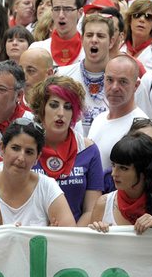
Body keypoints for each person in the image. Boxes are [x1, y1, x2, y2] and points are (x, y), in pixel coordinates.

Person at [0, 118, 76, 227]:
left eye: (29, 152)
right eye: (15, 148)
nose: (21, 158)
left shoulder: (47, 187)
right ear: (2, 148)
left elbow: (70, 236)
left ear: (37, 157)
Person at [30, 76, 102, 225]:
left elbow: (91, 210)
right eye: (54, 105)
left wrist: (70, 236)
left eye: (68, 107)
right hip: (34, 234)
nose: (61, 113)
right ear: (42, 108)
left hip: (76, 237)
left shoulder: (89, 150)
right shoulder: (26, 148)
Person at [89, 133, 152, 233]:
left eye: (123, 168)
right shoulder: (103, 203)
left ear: (144, 171)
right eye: (113, 165)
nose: (114, 173)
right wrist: (98, 233)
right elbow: (90, 247)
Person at [88, 55, 148, 169]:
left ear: (136, 86)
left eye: (123, 81)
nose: (115, 87)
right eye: (110, 80)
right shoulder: (99, 119)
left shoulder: (141, 127)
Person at [29, 0, 85, 66]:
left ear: (80, 12)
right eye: (57, 9)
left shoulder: (89, 50)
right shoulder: (37, 49)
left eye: (67, 9)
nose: (61, 15)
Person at [121, 0, 152, 70]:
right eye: (137, 15)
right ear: (130, 20)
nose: (142, 19)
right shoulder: (118, 46)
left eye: (148, 17)